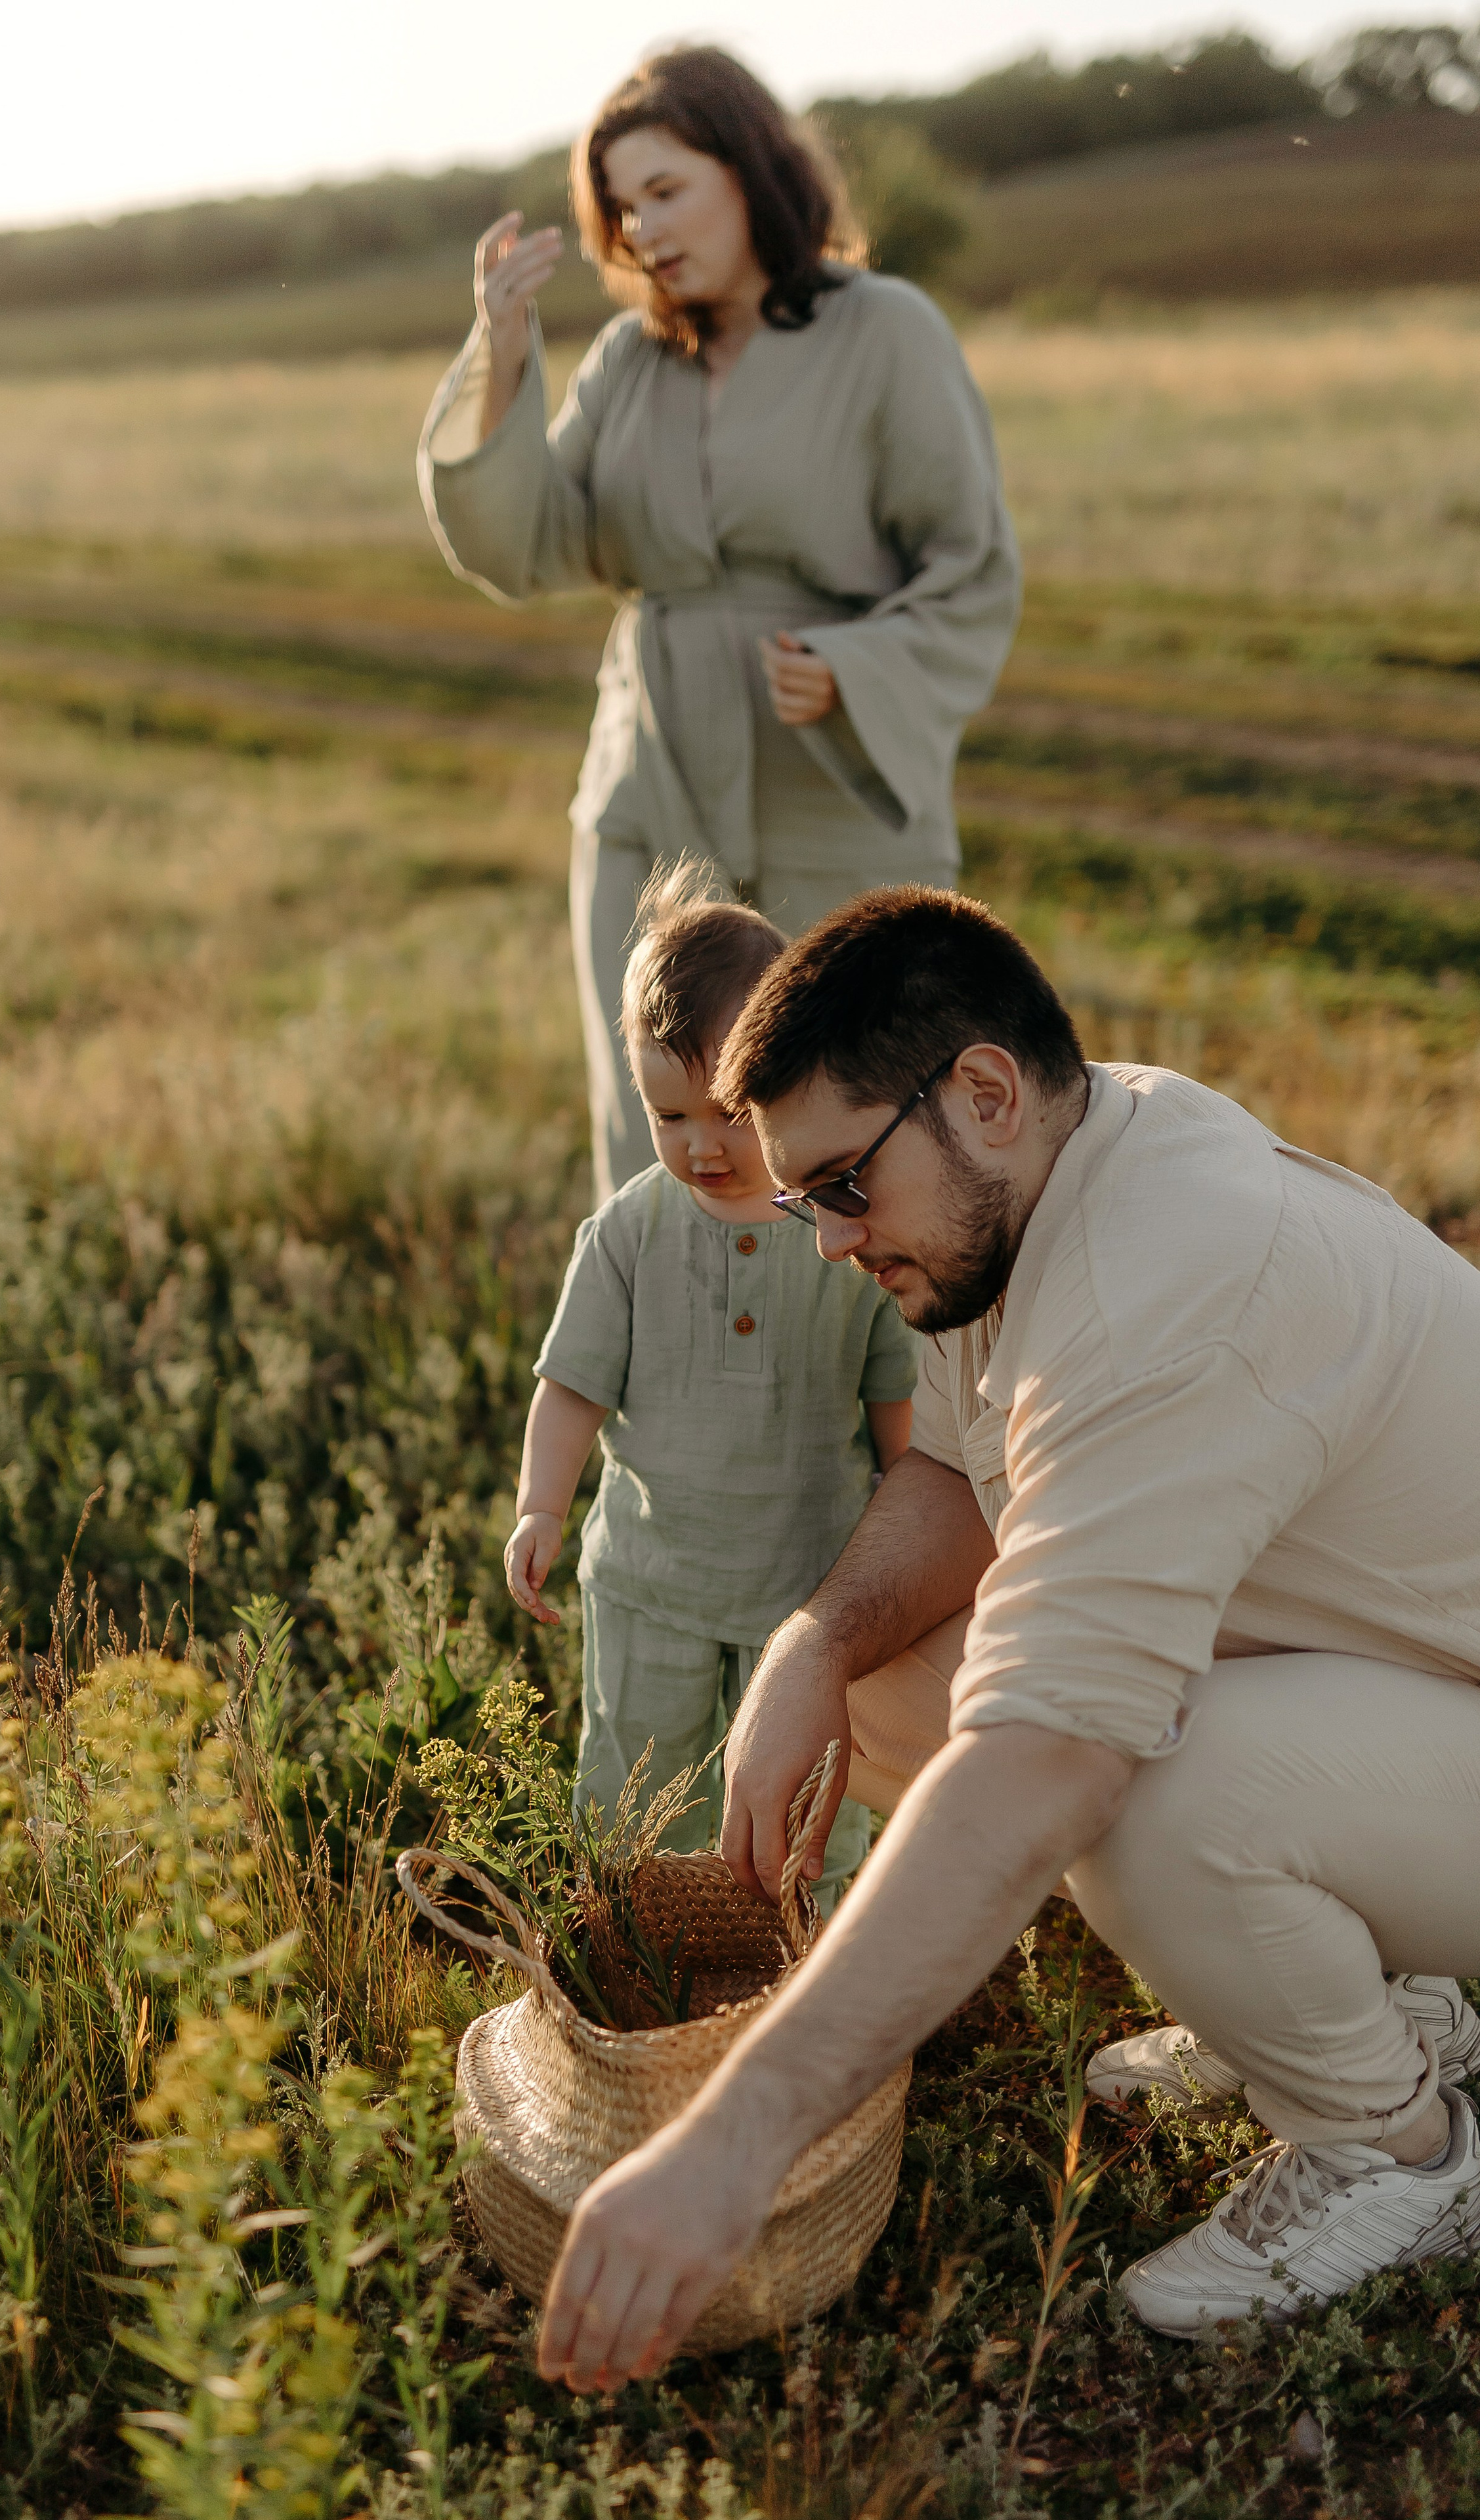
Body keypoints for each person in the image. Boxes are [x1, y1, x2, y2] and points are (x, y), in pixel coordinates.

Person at [532, 885, 1480, 2389]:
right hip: (1417, 1684)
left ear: (979, 1089)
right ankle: (1339, 2000)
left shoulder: (1164, 1284)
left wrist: (732, 2144)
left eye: (840, 1186)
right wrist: (812, 1645)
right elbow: (958, 1480)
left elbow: (1048, 1759)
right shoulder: (1049, 1171)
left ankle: (1396, 2149)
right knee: (921, 1687)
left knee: (1136, 1782)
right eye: (800, 1205)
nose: (827, 1246)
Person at [418, 45, 1019, 1204]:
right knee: (657, 1130)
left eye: (666, 188)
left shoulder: (886, 332)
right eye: (622, 205)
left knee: (871, 1121)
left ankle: (886, 1389)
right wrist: (499, 351)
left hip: (828, 789)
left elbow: (973, 568)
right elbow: (522, 542)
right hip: (651, 796)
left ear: (748, 170)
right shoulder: (629, 365)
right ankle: (670, 1384)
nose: (642, 227)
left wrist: (855, 668)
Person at [504, 864, 918, 1900]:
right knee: (642, 1790)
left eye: (728, 1113)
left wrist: (913, 1549)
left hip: (807, 1598)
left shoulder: (844, 1226)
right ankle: (648, 1943)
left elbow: (894, 1410)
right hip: (655, 1586)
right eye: (666, 1115)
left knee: (808, 1797)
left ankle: (793, 1948)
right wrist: (541, 1506)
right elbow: (571, 1387)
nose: (700, 1146)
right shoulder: (631, 1232)